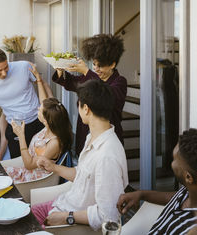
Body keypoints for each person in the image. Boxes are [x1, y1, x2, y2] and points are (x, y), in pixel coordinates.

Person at [32, 79, 128, 231]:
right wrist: (53, 167)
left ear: (86, 109)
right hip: (62, 204)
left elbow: (109, 216)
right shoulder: (92, 137)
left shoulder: (107, 156)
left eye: (79, 104)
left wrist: (67, 217)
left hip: (69, 221)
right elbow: (82, 174)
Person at [117, 128, 197, 235]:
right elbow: (178, 197)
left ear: (188, 177)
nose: (171, 163)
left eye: (174, 159)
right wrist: (142, 194)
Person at [52, 34, 127, 156]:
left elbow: (107, 95)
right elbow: (72, 83)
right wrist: (61, 70)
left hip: (107, 141)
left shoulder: (119, 82)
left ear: (113, 64)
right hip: (86, 136)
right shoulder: (91, 77)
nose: (96, 69)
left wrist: (87, 72)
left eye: (100, 65)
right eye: (94, 64)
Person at [0, 48, 52, 158]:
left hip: (38, 122)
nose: (4, 73)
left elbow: (42, 83)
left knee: (43, 159)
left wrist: (51, 104)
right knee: (20, 162)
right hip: (16, 128)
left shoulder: (24, 67)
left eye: (6, 67)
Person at [4, 66, 73, 183]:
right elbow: (43, 101)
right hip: (27, 172)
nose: (37, 108)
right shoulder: (48, 128)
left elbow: (29, 165)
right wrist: (38, 80)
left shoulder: (54, 143)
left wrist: (21, 137)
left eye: (39, 110)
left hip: (34, 179)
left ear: (46, 119)